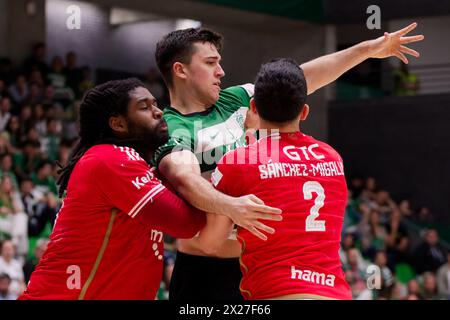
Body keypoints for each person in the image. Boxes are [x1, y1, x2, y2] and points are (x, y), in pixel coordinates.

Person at [152, 23, 424, 300]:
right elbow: (184, 178)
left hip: (258, 264)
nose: (220, 71)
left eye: (219, 63)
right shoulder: (170, 127)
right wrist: (231, 206)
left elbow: (299, 80)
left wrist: (367, 50)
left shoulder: (236, 99)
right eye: (210, 63)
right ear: (180, 70)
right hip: (205, 267)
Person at [18, 78, 207, 300]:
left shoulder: (128, 164)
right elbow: (188, 223)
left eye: (155, 104)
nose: (158, 112)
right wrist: (199, 177)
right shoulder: (112, 158)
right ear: (118, 124)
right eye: (144, 107)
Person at [201, 58, 351, 299]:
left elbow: (210, 243)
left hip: (274, 291)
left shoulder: (239, 161)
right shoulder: (332, 157)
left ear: (254, 107)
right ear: (304, 112)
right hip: (334, 292)